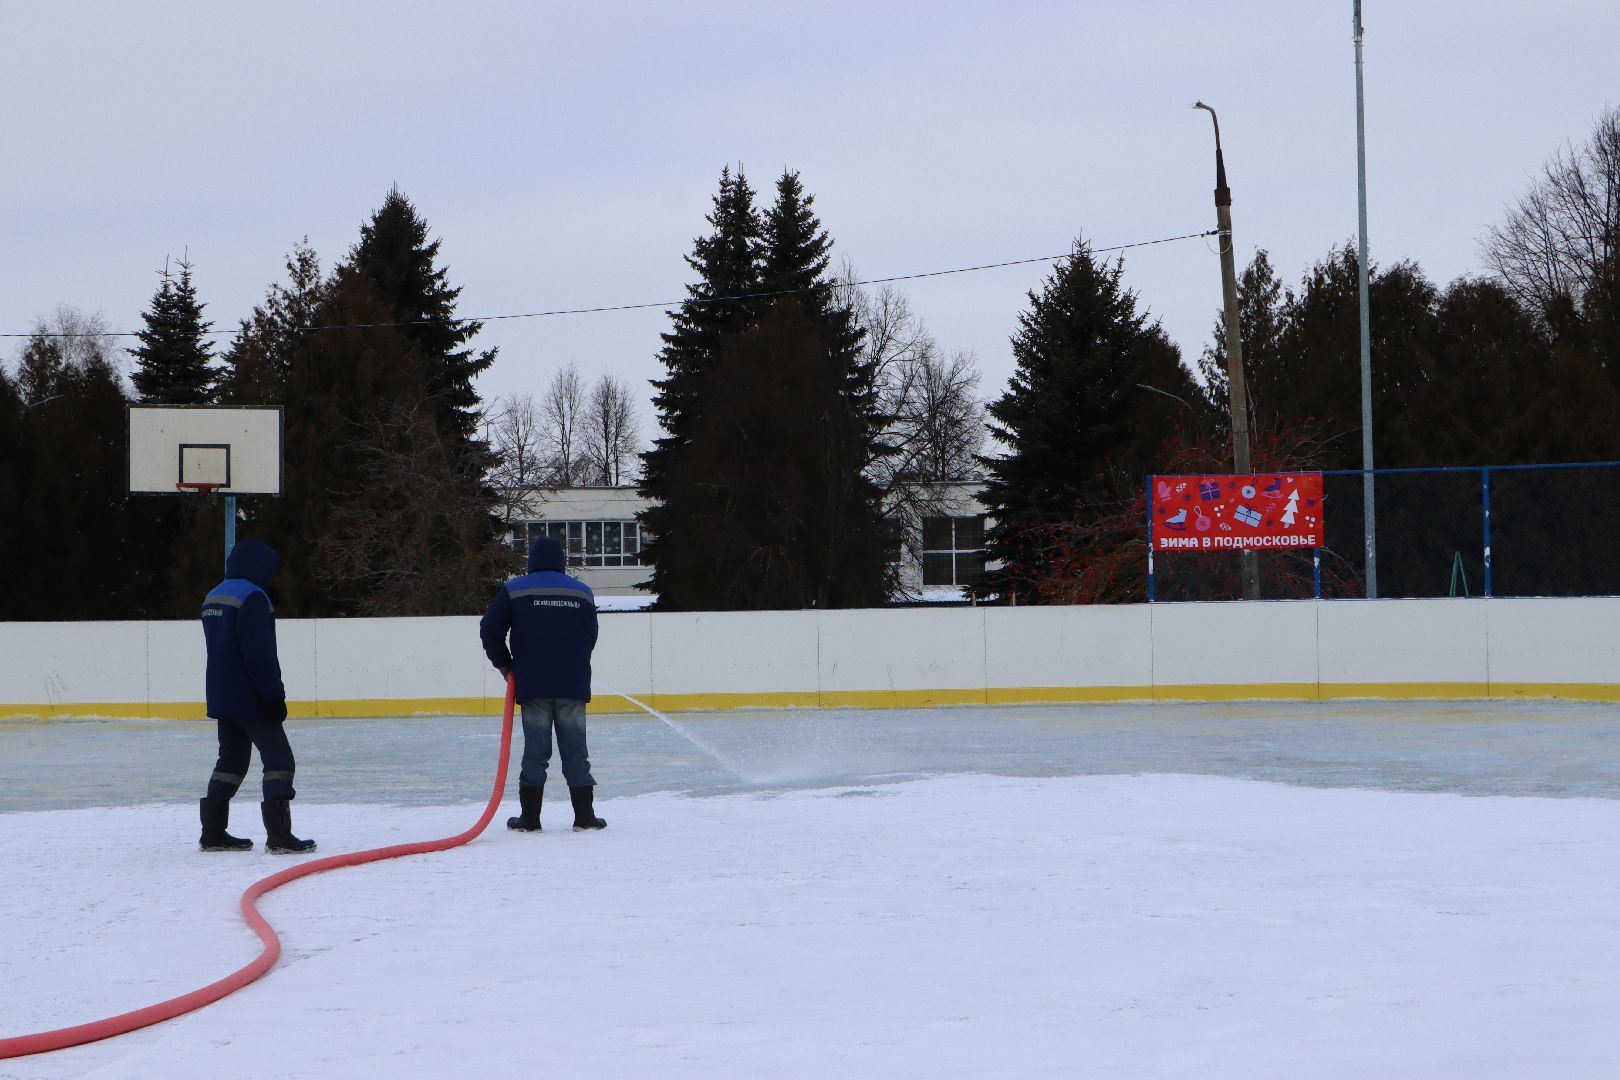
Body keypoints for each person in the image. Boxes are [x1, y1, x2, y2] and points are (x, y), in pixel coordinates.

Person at [480, 536, 606, 833]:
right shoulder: (583, 592)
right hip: (572, 684)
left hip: (532, 682)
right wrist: (573, 662)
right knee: (576, 750)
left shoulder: (515, 589)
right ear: (562, 560)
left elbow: (489, 628)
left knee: (536, 752)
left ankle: (530, 819)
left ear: (532, 560)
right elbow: (591, 635)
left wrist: (505, 665)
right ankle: (585, 817)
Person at [199, 537, 315, 854]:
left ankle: (212, 831)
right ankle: (279, 835)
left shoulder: (215, 595)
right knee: (279, 760)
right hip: (251, 696)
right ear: (260, 567)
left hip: (222, 694)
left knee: (231, 761)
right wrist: (274, 696)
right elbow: (259, 655)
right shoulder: (252, 597)